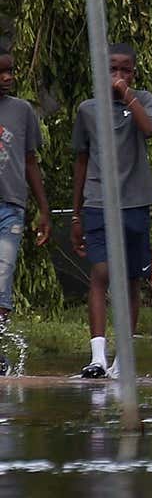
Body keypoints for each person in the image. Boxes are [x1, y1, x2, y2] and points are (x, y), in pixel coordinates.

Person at [71, 43, 152, 379]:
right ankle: (97, 357)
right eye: (112, 70)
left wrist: (126, 94)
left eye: (125, 71)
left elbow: (148, 129)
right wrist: (76, 214)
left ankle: (124, 359)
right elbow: (81, 159)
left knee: (131, 279)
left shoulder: (143, 100)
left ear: (133, 73)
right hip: (97, 201)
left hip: (135, 201)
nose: (118, 76)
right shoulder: (88, 110)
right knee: (102, 273)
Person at [0, 47, 51, 323]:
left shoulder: (22, 111)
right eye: (1, 72)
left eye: (10, 71)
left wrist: (44, 210)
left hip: (10, 206)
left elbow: (30, 161)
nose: (7, 77)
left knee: (2, 278)